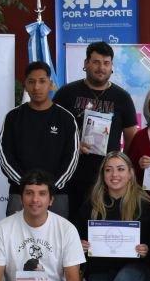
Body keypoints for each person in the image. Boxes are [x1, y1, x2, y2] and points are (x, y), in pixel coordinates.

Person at [75, 152, 150, 281]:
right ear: (102, 175)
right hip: (102, 269)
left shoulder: (145, 204)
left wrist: (148, 249)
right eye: (109, 170)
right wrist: (81, 244)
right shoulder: (92, 204)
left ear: (130, 173)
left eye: (121, 169)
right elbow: (75, 236)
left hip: (134, 269)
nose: (115, 175)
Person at [53, 41, 138, 220]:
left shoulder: (122, 98)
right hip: (71, 177)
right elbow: (53, 133)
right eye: (96, 62)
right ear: (86, 64)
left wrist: (121, 168)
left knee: (102, 228)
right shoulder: (66, 93)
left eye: (106, 63)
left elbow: (131, 138)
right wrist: (75, 144)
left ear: (112, 67)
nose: (101, 68)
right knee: (73, 227)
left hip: (109, 180)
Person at [0, 62, 79, 219]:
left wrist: (50, 189)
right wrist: (26, 188)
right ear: (26, 85)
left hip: (57, 194)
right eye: (31, 81)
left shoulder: (66, 118)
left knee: (56, 242)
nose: (36, 87)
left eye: (42, 81)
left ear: (50, 83)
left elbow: (72, 158)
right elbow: (5, 157)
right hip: (19, 194)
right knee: (16, 241)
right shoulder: (13, 117)